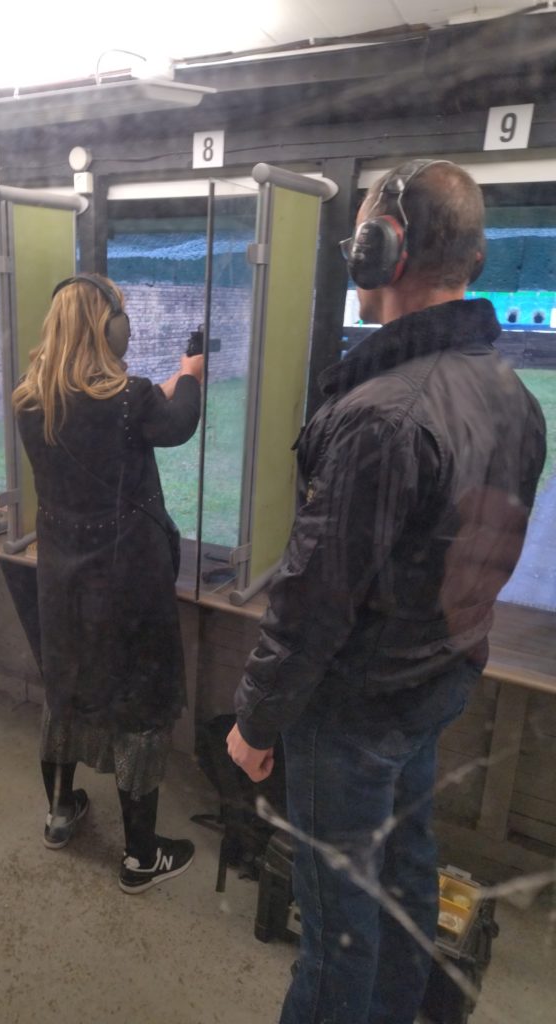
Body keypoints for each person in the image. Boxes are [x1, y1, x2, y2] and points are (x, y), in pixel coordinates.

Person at [227, 159, 546, 1023]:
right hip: (435, 683)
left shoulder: (382, 416)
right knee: (406, 883)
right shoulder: (514, 398)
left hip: (357, 706)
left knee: (337, 928)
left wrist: (257, 720)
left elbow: (315, 598)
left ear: (384, 249)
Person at [13, 272, 203, 894]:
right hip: (127, 580)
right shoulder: (131, 399)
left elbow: (103, 419)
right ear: (110, 328)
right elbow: (176, 424)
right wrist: (192, 374)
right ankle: (141, 857)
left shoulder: (31, 401)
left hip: (62, 576)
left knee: (65, 690)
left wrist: (163, 388)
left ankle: (60, 813)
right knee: (139, 706)